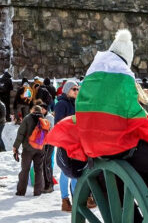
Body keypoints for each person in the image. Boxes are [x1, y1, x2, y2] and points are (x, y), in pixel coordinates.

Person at [71, 29, 148, 222]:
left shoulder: (91, 74)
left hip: (93, 147)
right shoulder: (122, 74)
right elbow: (134, 114)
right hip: (119, 146)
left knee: (119, 184)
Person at [53, 80, 79, 212]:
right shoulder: (61, 104)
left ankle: (76, 198)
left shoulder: (76, 103)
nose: (76, 91)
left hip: (76, 141)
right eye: (74, 89)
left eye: (77, 89)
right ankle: (65, 200)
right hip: (66, 141)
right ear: (67, 90)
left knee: (75, 170)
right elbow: (58, 124)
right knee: (66, 170)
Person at [13, 106, 47, 196]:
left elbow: (21, 133)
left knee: (25, 170)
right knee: (39, 170)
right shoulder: (44, 120)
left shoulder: (27, 118)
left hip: (28, 149)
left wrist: (15, 146)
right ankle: (38, 191)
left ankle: (21, 191)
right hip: (40, 149)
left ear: (32, 110)